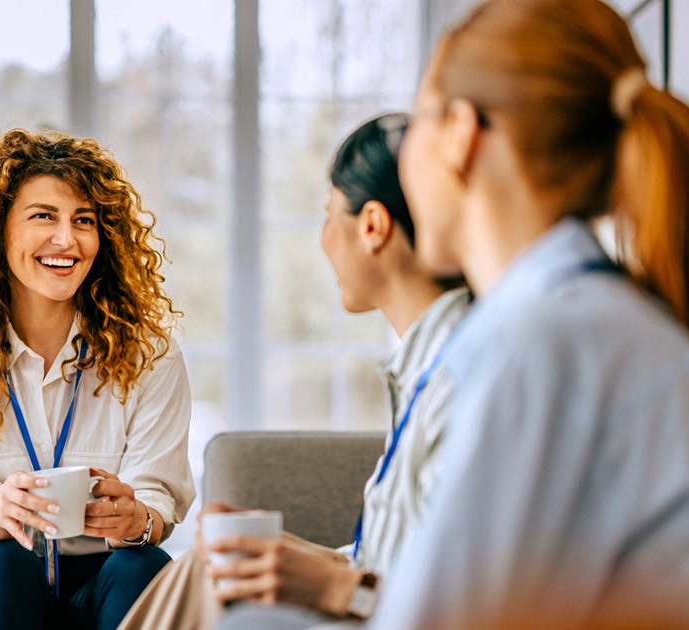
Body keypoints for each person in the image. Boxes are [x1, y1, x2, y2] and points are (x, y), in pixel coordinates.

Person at [363, 0, 689, 628]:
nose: (405, 156)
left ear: (460, 133)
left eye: (415, 123)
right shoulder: (592, 320)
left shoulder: (541, 345)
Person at [117, 114, 472, 629]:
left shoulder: (463, 372)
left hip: (391, 611)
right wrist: (283, 552)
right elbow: (398, 547)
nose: (324, 239)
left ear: (372, 227)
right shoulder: (421, 361)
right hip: (377, 586)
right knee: (209, 564)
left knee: (220, 590)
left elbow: (469, 588)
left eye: (330, 216)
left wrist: (335, 583)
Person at [0, 128, 196, 630]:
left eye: (83, 220)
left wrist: (136, 520)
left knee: (143, 566)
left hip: (101, 580)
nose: (67, 240)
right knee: (2, 566)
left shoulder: (151, 356)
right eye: (44, 216)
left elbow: (157, 505)